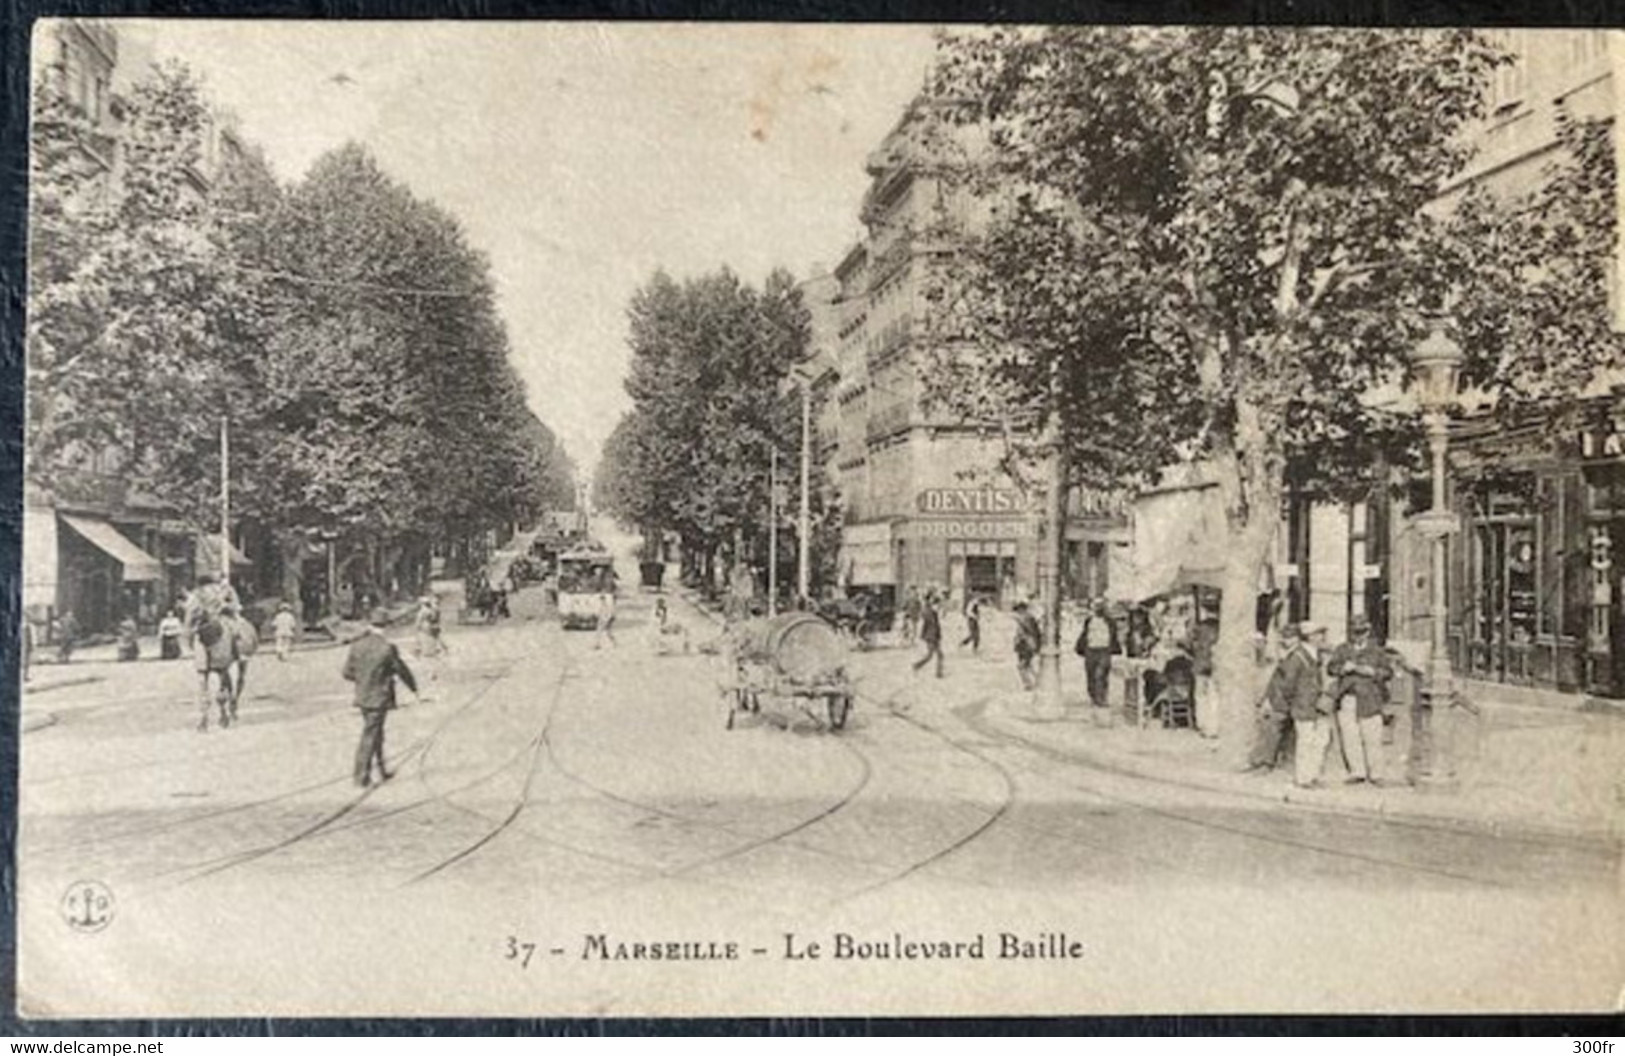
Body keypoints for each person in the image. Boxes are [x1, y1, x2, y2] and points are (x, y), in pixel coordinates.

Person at [342, 606, 419, 788]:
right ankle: (361, 777)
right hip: (379, 697)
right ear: (386, 627)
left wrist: (363, 679)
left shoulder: (357, 645)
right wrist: (414, 688)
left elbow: (346, 673)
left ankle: (382, 770)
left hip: (362, 696)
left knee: (376, 733)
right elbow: (401, 670)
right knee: (370, 735)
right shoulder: (387, 648)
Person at [1326, 614, 1393, 785]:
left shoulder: (1377, 651)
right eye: (1355, 633)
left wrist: (1373, 672)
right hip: (1348, 698)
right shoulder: (1342, 649)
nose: (1358, 636)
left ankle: (1376, 774)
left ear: (1368, 631)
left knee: (1372, 737)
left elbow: (1388, 672)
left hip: (1370, 698)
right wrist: (1343, 668)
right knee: (1350, 736)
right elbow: (1331, 668)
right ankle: (1357, 772)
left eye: (1362, 632)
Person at [1276, 622, 1333, 788]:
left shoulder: (1316, 655)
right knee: (1305, 741)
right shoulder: (1298, 657)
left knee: (1321, 740)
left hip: (1318, 706)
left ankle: (1313, 775)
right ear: (1310, 637)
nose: (1322, 637)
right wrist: (1297, 701)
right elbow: (1287, 684)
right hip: (1304, 705)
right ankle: (1303, 778)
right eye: (1319, 634)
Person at [1074, 599, 1119, 709]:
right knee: (1091, 675)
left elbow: (1114, 635)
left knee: (1101, 674)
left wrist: (1113, 648)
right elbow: (1085, 634)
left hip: (1104, 650)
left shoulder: (1110, 621)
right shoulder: (1089, 620)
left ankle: (1101, 698)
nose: (1099, 609)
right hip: (1091, 650)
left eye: (1101, 607)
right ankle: (1094, 696)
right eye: (1097, 607)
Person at [912, 591, 944, 678]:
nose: (939, 607)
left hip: (934, 637)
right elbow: (923, 624)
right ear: (933, 604)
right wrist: (920, 636)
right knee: (930, 655)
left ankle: (938, 673)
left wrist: (939, 636)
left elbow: (937, 626)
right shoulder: (927, 612)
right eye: (938, 605)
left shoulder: (933, 613)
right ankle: (916, 665)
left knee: (939, 655)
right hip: (930, 637)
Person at [1013, 600, 1042, 691]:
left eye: (1019, 610)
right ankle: (1036, 681)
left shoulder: (1026, 619)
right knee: (1027, 665)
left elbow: (1031, 633)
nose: (1018, 612)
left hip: (1027, 644)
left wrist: (1033, 644)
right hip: (1023, 645)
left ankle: (1029, 684)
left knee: (1022, 666)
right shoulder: (1026, 619)